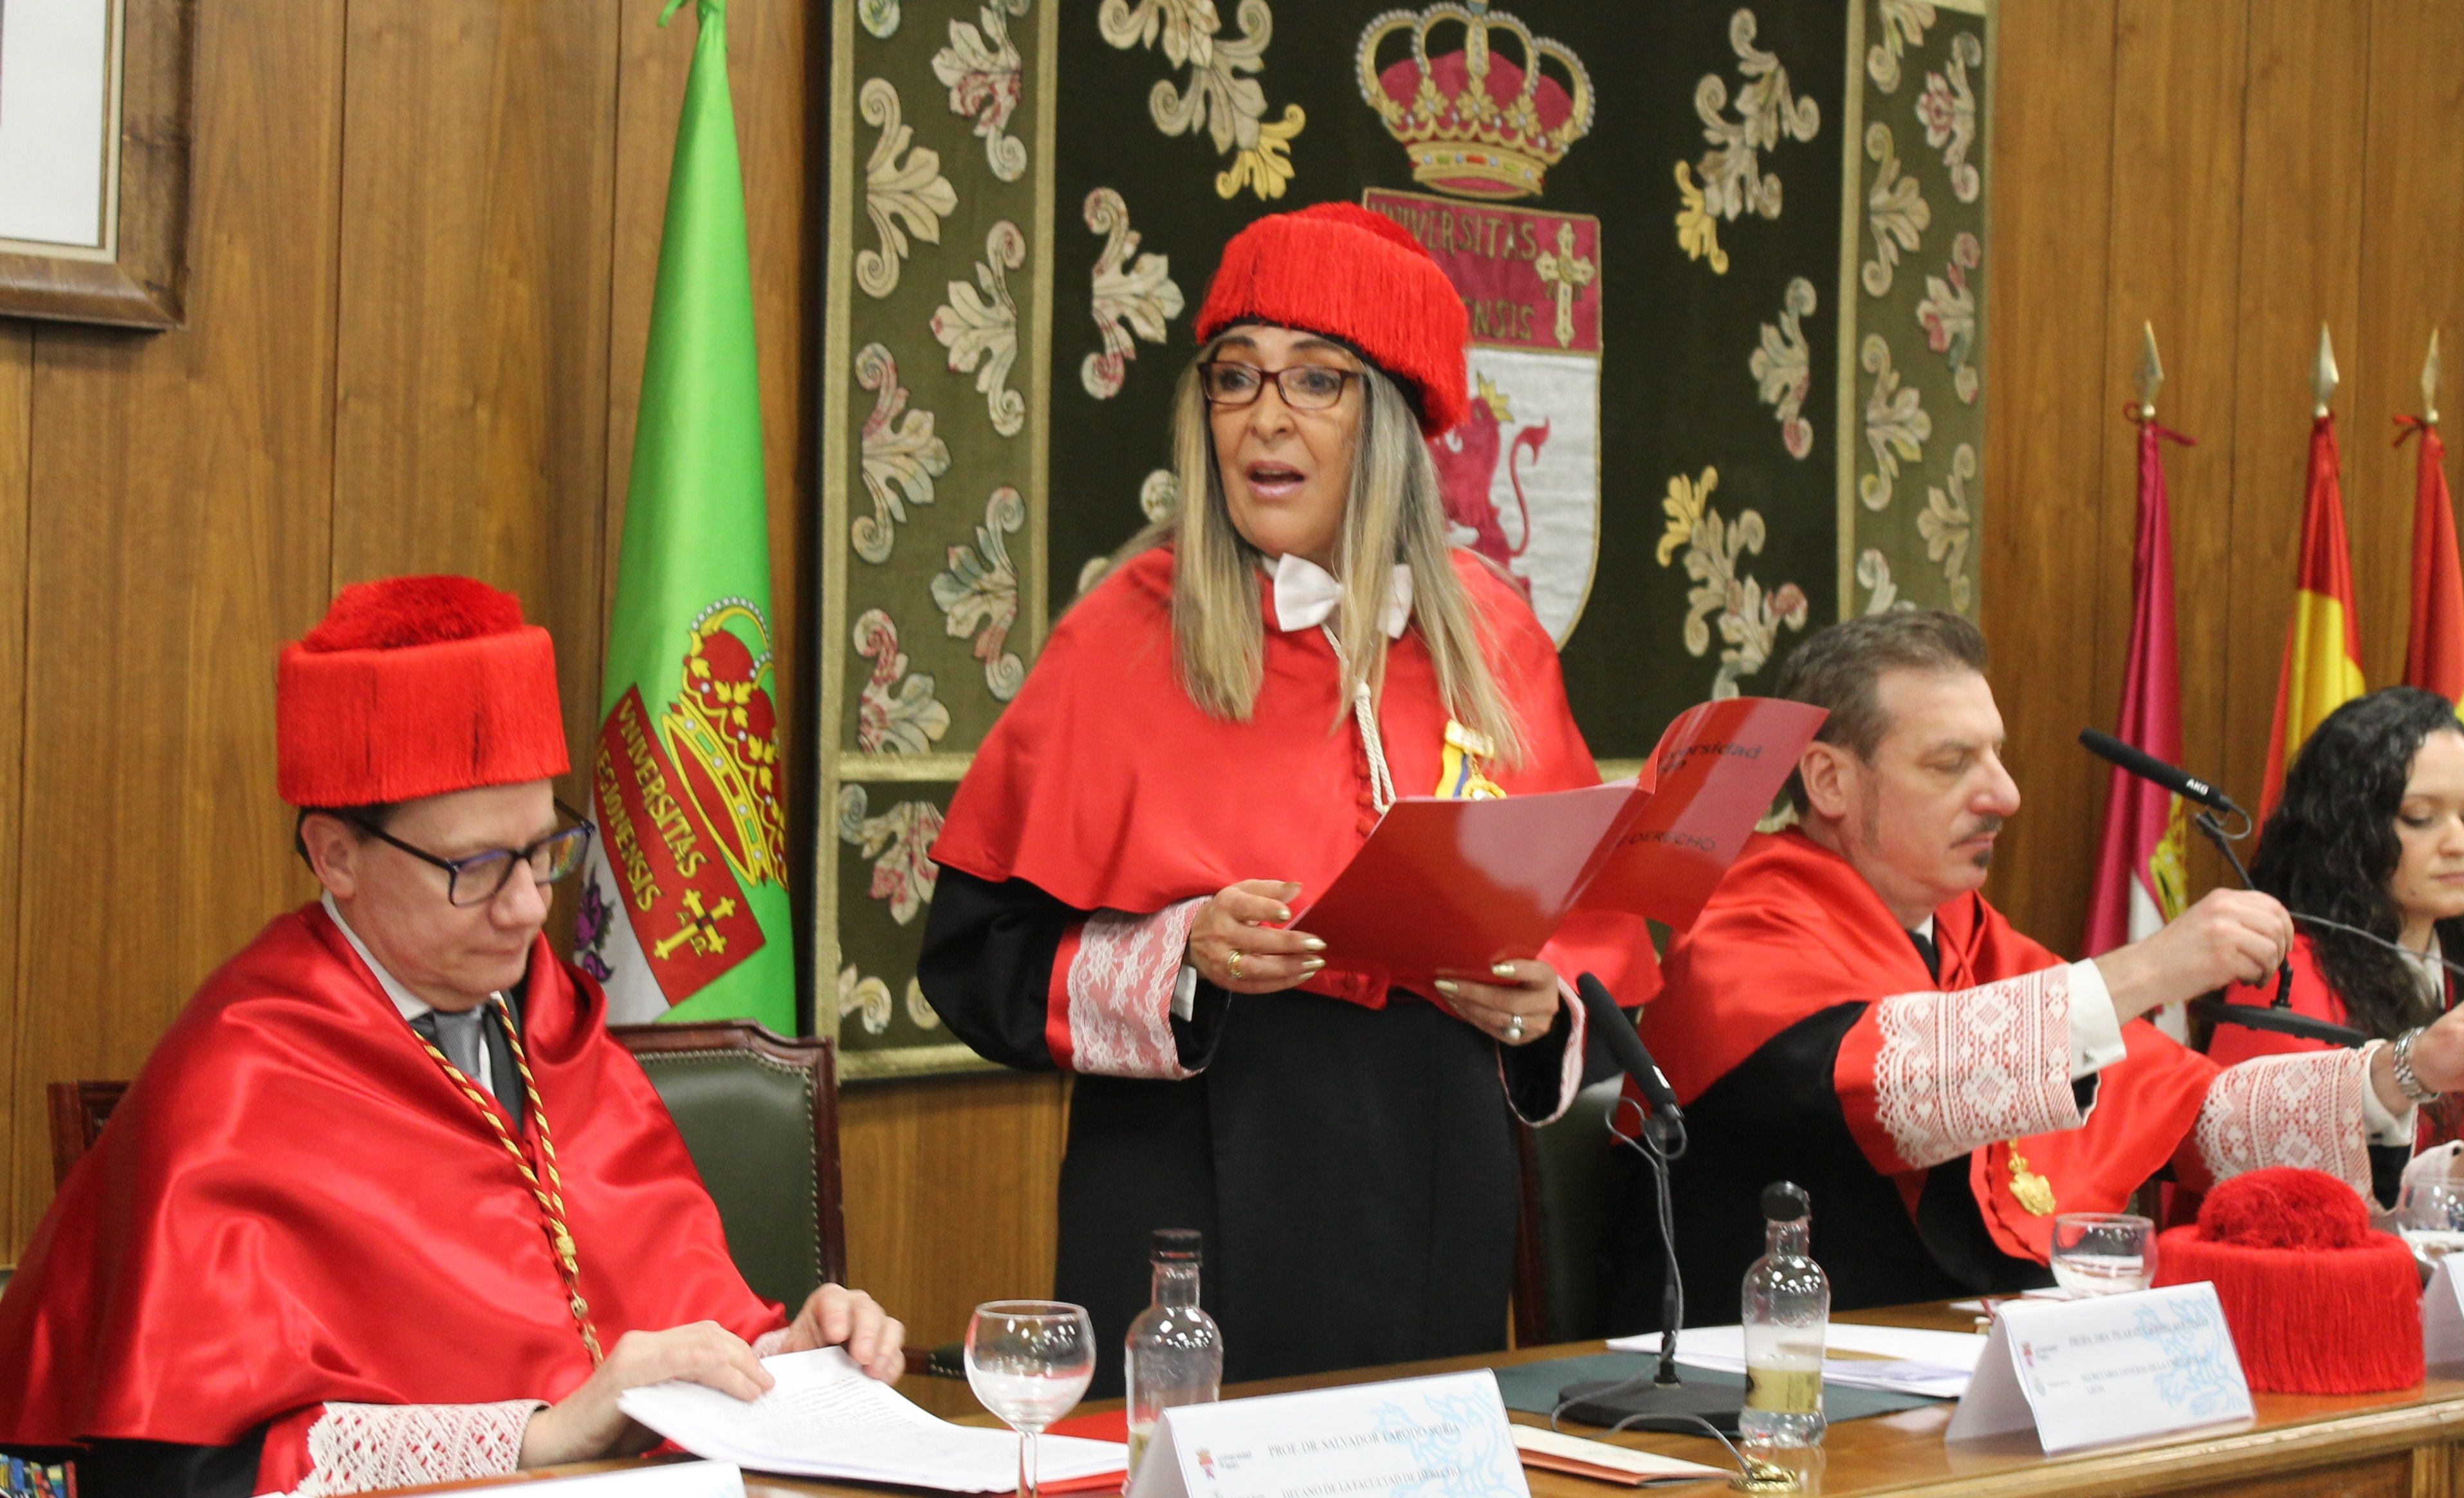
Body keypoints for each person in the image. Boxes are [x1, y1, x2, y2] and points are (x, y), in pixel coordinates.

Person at [921, 203, 1658, 1390]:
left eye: (1315, 380)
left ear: (1394, 424)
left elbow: (1587, 954)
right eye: (1235, 376)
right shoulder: (1120, 636)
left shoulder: (1498, 638)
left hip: (1433, 1206)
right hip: (1189, 1199)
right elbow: (975, 962)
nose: (1264, 416)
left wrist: (1539, 1009)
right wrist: (1178, 958)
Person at [0, 577, 906, 1498]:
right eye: (476, 868)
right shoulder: (236, 1083)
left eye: (543, 852)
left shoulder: (553, 1024)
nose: (526, 909)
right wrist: (536, 1440)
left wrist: (783, 1359)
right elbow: (190, 1470)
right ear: (336, 856)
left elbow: (651, 1319)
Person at [1608, 612, 2464, 1326]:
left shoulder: (1962, 932)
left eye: (1997, 755)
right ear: (1827, 782)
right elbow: (1893, 1081)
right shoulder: (1743, 921)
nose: (2003, 794)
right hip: (1754, 1380)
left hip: (1933, 1362)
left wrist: (2407, 1068)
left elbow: (2193, 1116)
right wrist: (2150, 968)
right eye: (1950, 763)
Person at [2211, 686, 2464, 1191]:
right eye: (2421, 817)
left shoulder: (2462, 969)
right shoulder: (2283, 977)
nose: (2459, 844)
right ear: (2347, 833)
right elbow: (2269, 1195)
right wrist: (2454, 1181)